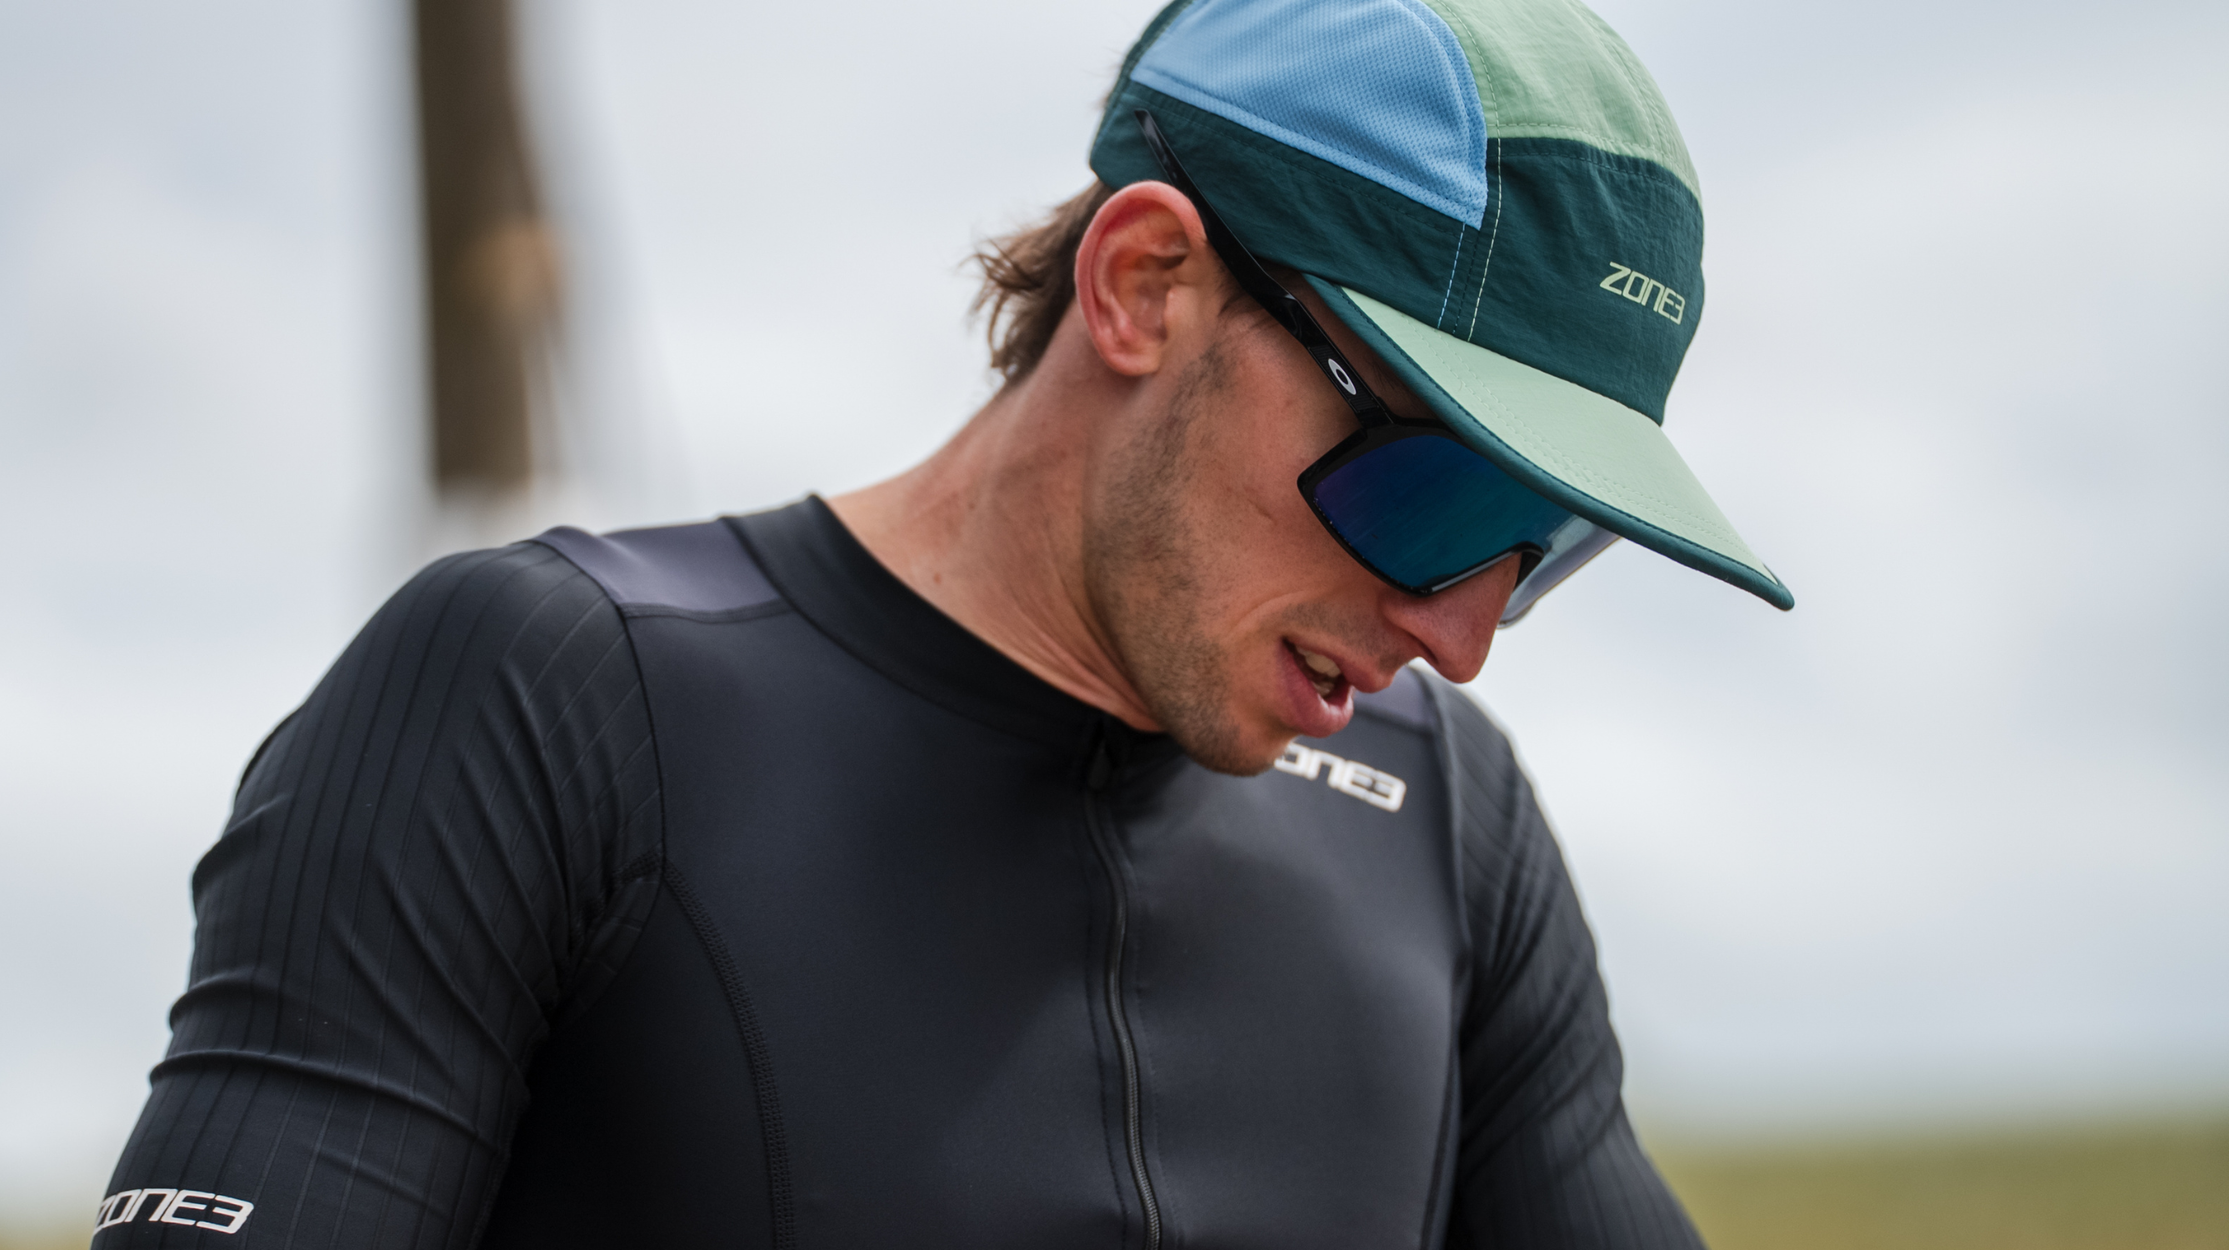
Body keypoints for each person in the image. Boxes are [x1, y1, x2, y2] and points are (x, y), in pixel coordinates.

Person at [95, 0, 1792, 1245]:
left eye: (1541, 543)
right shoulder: (546, 696)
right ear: (1142, 285)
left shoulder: (1451, 821)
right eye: (1439, 496)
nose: (1463, 634)